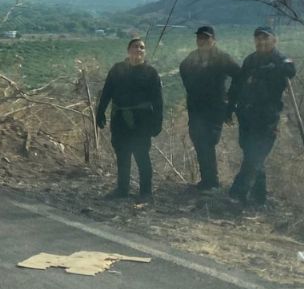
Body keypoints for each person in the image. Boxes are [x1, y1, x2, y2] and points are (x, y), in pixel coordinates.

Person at [227, 26, 296, 205]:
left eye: (266, 38)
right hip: (246, 116)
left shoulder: (280, 60)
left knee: (255, 155)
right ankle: (259, 199)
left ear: (274, 40)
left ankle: (237, 193)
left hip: (267, 118)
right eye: (258, 38)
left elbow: (290, 69)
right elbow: (238, 85)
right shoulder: (250, 60)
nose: (262, 42)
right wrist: (230, 107)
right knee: (251, 153)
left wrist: (278, 68)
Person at [96, 38, 163, 200]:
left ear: (144, 52)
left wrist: (157, 122)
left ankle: (146, 192)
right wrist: (100, 112)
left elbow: (158, 101)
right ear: (128, 50)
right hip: (119, 120)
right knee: (122, 156)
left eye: (142, 47)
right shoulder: (117, 70)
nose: (138, 50)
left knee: (142, 157)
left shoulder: (151, 73)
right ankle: (122, 190)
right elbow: (106, 92)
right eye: (135, 47)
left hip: (142, 122)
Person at [178, 25, 241, 190]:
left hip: (215, 108)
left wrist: (230, 98)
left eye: (206, 38)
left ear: (213, 40)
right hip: (196, 108)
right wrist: (192, 89)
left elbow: (239, 75)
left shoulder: (222, 57)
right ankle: (207, 180)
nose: (202, 41)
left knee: (208, 141)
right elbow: (183, 68)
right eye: (199, 38)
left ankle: (212, 181)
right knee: (199, 141)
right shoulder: (193, 57)